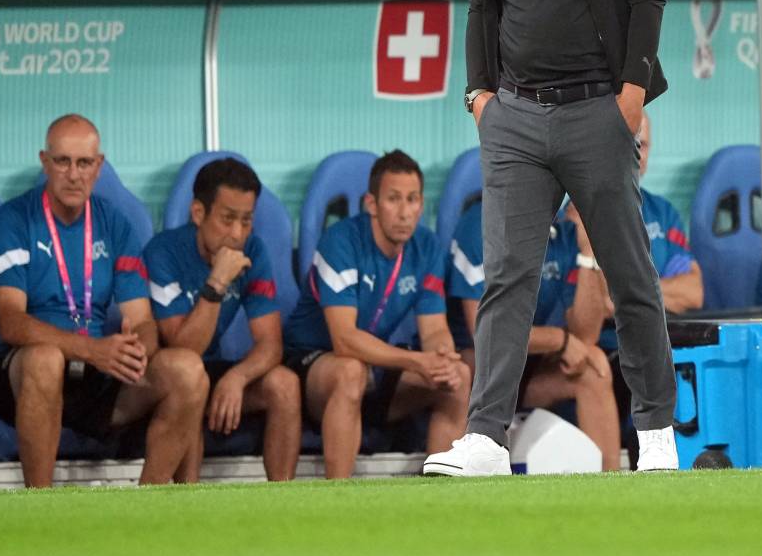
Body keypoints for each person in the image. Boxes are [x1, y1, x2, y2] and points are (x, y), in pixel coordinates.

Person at [425, 0, 677, 478]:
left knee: (630, 275)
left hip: (597, 111)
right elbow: (481, 5)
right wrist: (479, 96)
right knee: (507, 276)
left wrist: (630, 96)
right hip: (514, 121)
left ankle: (657, 433)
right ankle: (486, 439)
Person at [0, 114, 208, 488]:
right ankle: (40, 505)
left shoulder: (115, 224)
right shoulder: (12, 220)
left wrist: (136, 351)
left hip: (93, 372)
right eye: (62, 161)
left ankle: (150, 504)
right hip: (16, 372)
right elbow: (10, 322)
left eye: (84, 163)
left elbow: (142, 320)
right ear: (45, 162)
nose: (74, 174)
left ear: (99, 166)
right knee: (45, 359)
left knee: (188, 369)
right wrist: (92, 350)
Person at [284, 150, 469, 479]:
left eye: (412, 199)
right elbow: (344, 341)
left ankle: (442, 493)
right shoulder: (341, 242)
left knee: (458, 377)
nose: (404, 212)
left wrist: (441, 357)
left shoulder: (426, 246)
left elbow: (434, 329)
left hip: (376, 368)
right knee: (350, 371)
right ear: (372, 204)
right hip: (315, 369)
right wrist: (417, 362)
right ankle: (338, 497)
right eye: (393, 199)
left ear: (421, 205)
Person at [146, 158, 301, 482]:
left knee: (284, 384)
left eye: (246, 221)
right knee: (190, 376)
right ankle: (186, 502)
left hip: (212, 368)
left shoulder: (253, 251)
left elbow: (270, 344)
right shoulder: (163, 252)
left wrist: (238, 377)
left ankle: (283, 500)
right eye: (227, 219)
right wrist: (217, 282)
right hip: (165, 376)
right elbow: (183, 347)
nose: (237, 234)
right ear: (198, 213)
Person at [565, 112, 701, 465]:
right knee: (613, 366)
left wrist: (631, 295)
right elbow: (591, 316)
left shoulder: (662, 212)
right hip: (605, 348)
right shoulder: (574, 216)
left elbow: (693, 291)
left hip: (659, 342)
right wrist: (645, 296)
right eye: (628, 144)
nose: (636, 154)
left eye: (642, 145)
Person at [447, 203, 621, 470]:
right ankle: (458, 478)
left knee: (593, 365)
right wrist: (559, 340)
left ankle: (614, 486)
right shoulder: (480, 225)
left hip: (529, 367)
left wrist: (589, 252)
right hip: (483, 370)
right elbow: (485, 333)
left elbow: (586, 336)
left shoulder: (564, 229)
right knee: (464, 367)